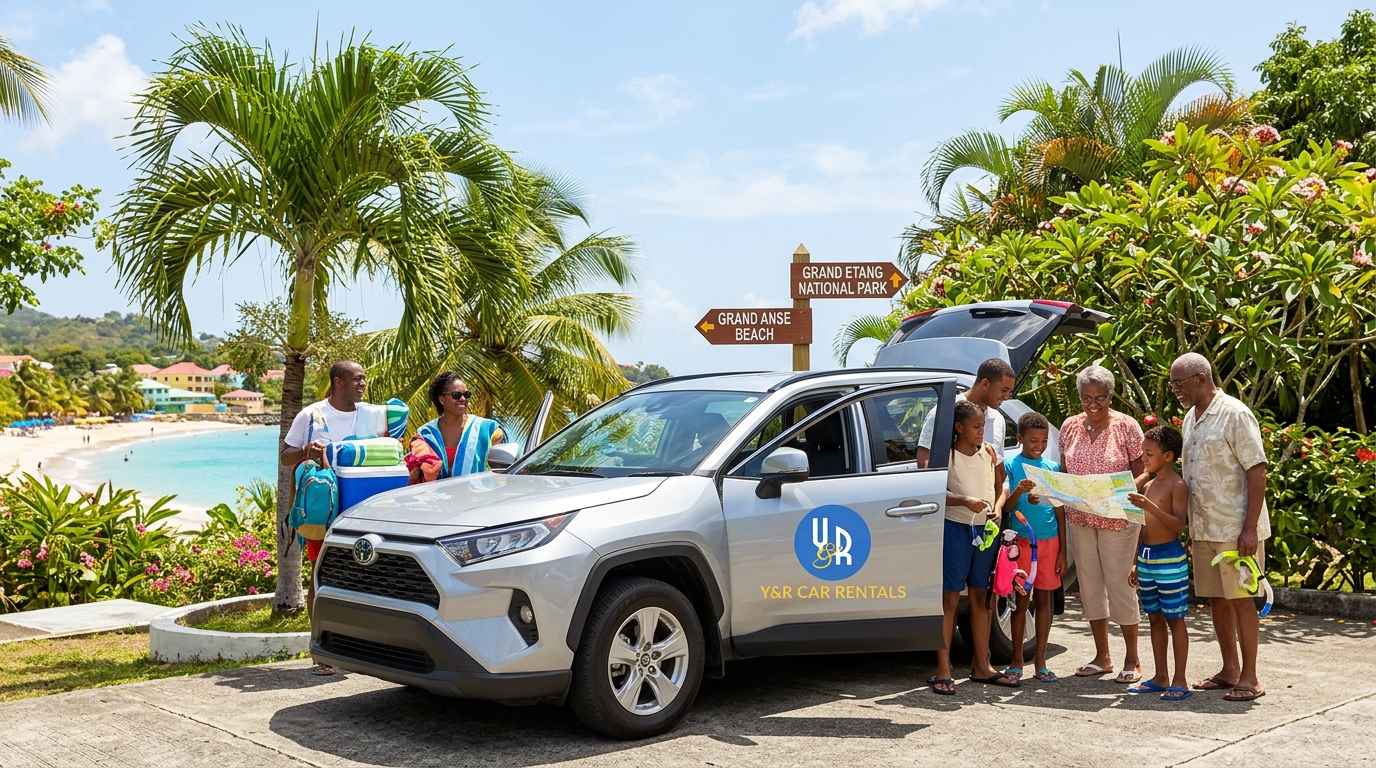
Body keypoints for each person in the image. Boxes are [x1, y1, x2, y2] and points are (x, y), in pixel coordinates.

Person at [1169, 352, 1269, 702]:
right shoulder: (1190, 418)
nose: (1175, 390)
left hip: (1235, 530)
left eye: (1178, 383)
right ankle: (1229, 669)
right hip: (1204, 528)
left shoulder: (1235, 414)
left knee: (1242, 600)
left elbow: (1257, 470)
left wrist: (1249, 529)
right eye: (1172, 384)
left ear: (1200, 377)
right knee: (1217, 601)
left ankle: (1251, 677)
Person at [280, 359, 372, 677]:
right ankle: (322, 649)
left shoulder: (371, 416)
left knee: (364, 579)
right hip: (325, 512)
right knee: (322, 578)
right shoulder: (312, 415)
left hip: (366, 511)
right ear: (338, 382)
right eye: (357, 379)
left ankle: (363, 648)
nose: (363, 383)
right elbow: (285, 455)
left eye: (364, 379)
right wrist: (307, 450)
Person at [1060, 364, 1145, 684]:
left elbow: (1144, 472)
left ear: (1111, 396)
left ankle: (1132, 658)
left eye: (1100, 398)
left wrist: (1116, 491)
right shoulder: (1070, 426)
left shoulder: (1126, 426)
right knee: (1090, 586)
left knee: (1120, 585)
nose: (1093, 404)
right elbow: (1066, 471)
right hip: (1081, 517)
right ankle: (1102, 655)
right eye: (1086, 398)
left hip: (1118, 518)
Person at [929, 400, 1017, 695]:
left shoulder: (989, 454)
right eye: (977, 427)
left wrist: (998, 508)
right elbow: (933, 492)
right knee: (950, 599)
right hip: (955, 528)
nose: (982, 432)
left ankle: (982, 664)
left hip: (985, 531)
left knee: (982, 596)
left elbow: (1000, 487)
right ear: (959, 428)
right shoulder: (948, 456)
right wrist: (963, 501)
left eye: (983, 426)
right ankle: (943, 668)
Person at [1126, 425, 1192, 702]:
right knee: (1154, 618)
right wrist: (1134, 561)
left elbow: (1179, 525)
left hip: (1169, 557)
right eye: (1143, 452)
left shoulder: (1178, 485)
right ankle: (1161, 675)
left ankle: (1180, 679)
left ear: (1167, 456)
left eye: (1149, 453)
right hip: (1147, 558)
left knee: (1174, 619)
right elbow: (1142, 526)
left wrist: (1150, 507)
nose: (1143, 457)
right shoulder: (1149, 484)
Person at [1001, 411, 1067, 684]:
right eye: (1032, 441)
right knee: (1020, 603)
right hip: (1022, 542)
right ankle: (1017, 661)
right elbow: (1007, 507)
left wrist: (1063, 548)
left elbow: (1060, 510)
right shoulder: (1011, 465)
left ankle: (1041, 661)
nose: (1038, 446)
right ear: (1020, 439)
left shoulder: (1052, 469)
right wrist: (1019, 491)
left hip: (1050, 542)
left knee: (1045, 601)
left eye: (1042, 441)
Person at [916, 358, 1016, 468]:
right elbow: (925, 457)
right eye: (1003, 390)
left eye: (1009, 392)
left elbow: (997, 465)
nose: (1006, 397)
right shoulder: (946, 411)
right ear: (985, 383)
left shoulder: (998, 419)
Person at [407, 372, 506, 484]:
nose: (463, 399)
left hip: (478, 498)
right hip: (435, 499)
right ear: (442, 400)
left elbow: (500, 473)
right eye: (456, 395)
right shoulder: (425, 435)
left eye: (466, 394)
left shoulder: (488, 430)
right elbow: (415, 476)